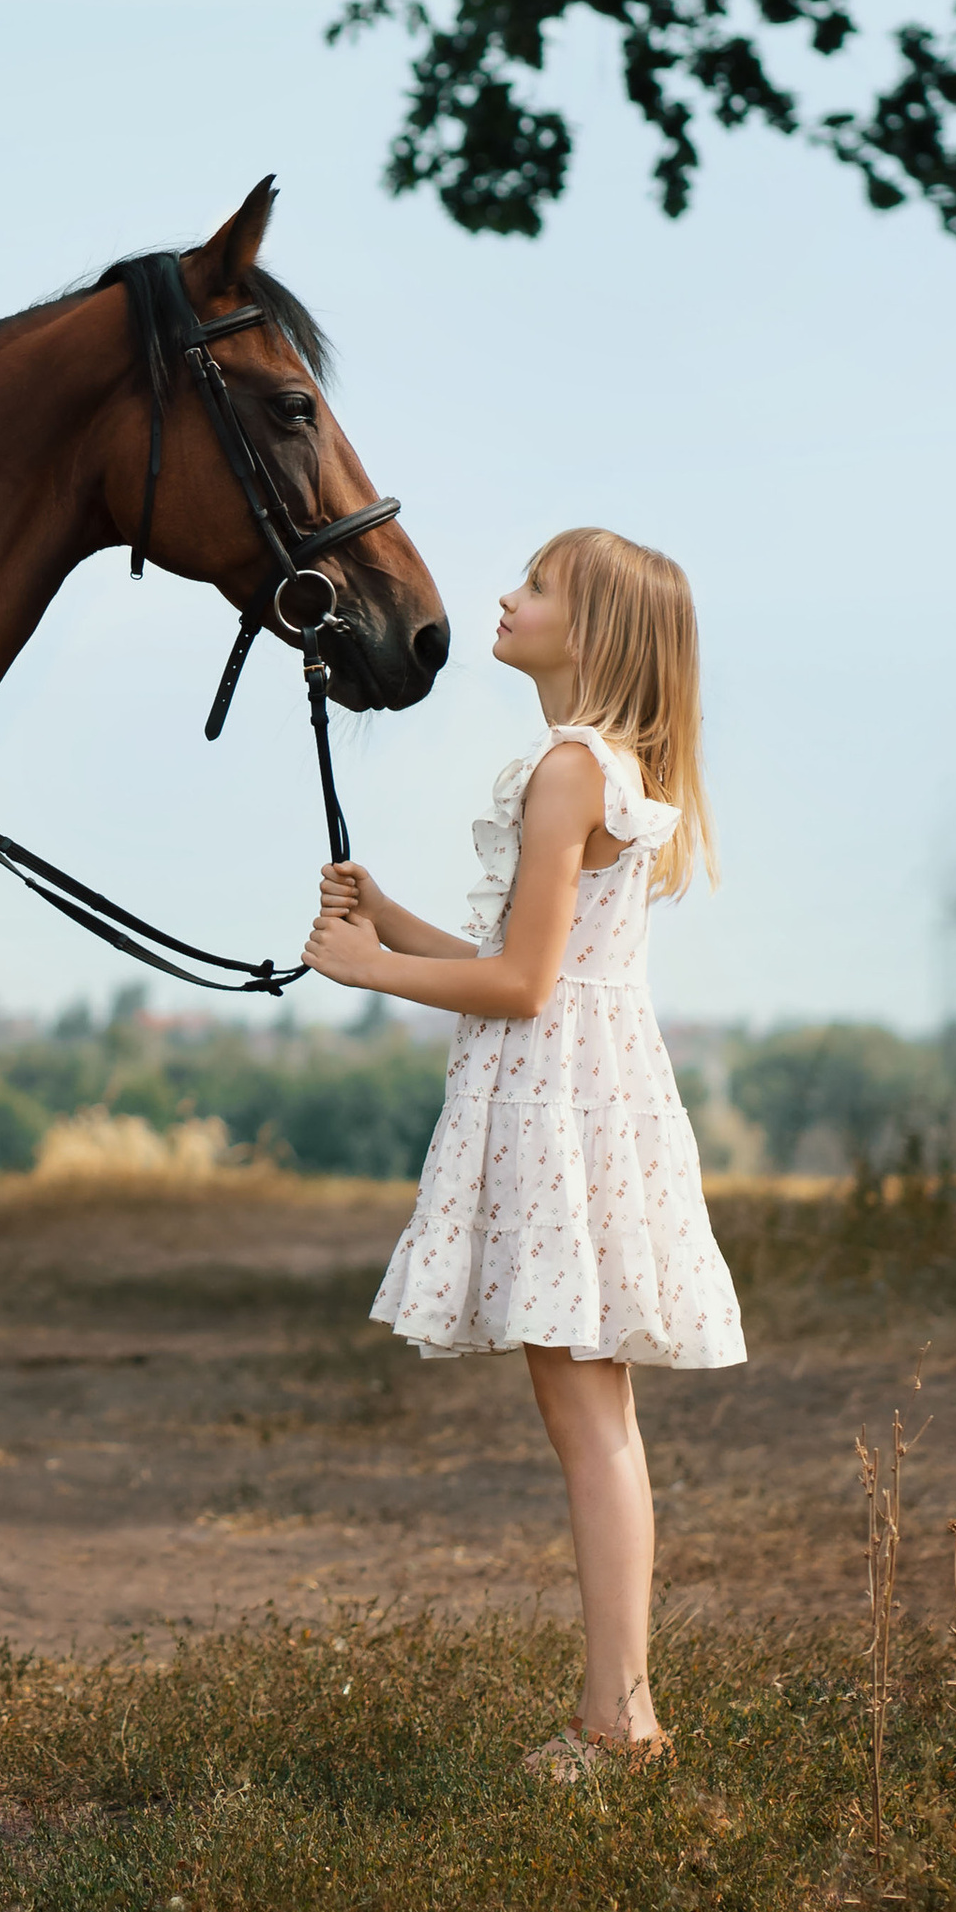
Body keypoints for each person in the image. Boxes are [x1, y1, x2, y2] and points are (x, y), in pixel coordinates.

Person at [302, 526, 743, 1780]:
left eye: (536, 586)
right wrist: (389, 916)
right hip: (586, 1097)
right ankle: (622, 1712)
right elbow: (525, 957)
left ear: (590, 633)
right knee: (593, 1413)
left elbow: (522, 982)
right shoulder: (599, 767)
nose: (504, 595)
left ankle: (620, 1722)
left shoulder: (566, 770)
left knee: (588, 1417)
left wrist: (367, 965)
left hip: (562, 1105)